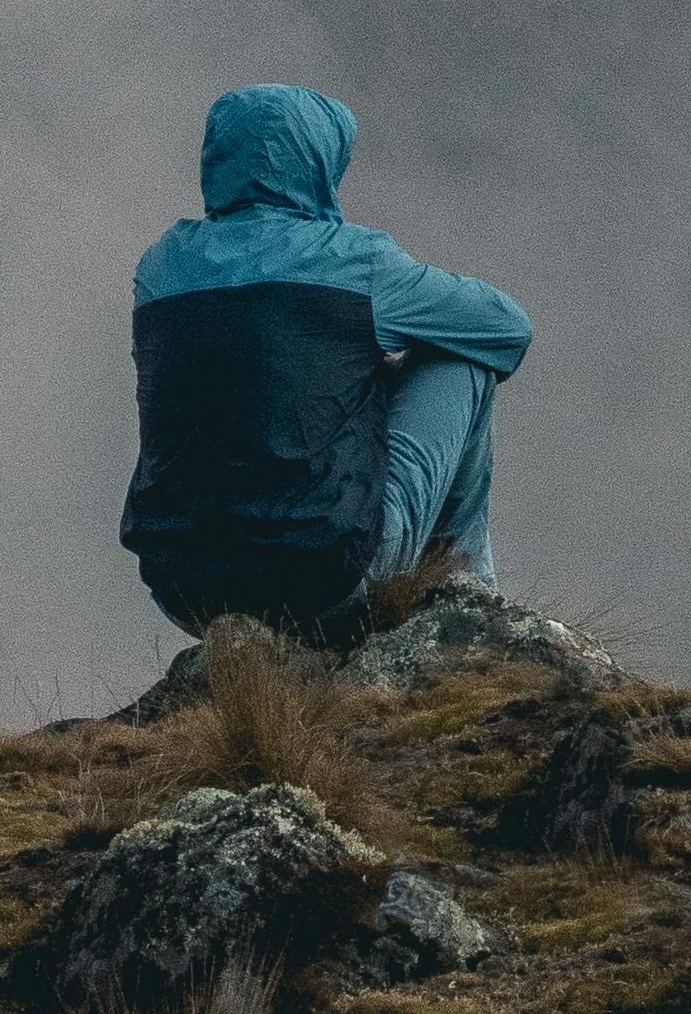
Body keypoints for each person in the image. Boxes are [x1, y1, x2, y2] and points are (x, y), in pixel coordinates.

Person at [121, 81, 532, 643]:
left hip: (184, 592)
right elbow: (505, 327)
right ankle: (463, 603)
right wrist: (383, 361)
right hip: (323, 578)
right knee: (463, 360)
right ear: (317, 160)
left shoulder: (160, 270)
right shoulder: (352, 261)